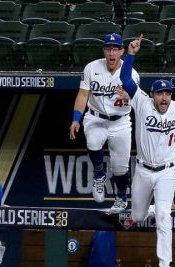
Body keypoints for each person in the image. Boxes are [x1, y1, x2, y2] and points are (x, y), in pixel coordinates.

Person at [120, 34, 175, 267]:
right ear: (151, 94)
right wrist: (130, 54)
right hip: (143, 171)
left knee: (165, 217)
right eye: (160, 93)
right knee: (139, 216)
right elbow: (124, 79)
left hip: (166, 172)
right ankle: (140, 212)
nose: (164, 98)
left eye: (168, 93)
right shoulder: (141, 102)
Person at [69, 33, 139, 214]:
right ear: (104, 50)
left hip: (121, 122)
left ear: (122, 51)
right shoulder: (92, 68)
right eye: (108, 48)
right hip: (96, 117)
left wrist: (128, 97)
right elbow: (83, 94)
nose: (111, 52)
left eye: (115, 49)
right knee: (92, 142)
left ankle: (121, 196)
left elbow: (137, 100)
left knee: (120, 168)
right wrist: (76, 119)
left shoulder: (132, 73)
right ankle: (99, 173)